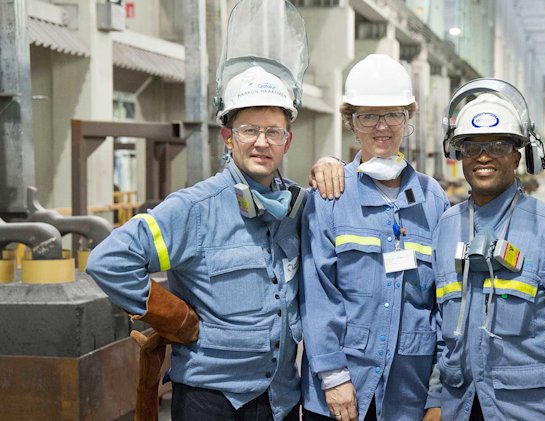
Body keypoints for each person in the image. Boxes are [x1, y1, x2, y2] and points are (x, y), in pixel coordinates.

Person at [86, 2, 309, 420]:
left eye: (273, 132)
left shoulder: (296, 208)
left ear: (288, 141)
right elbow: (108, 261)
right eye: (249, 130)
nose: (262, 142)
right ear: (228, 137)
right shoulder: (195, 209)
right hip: (211, 400)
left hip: (280, 399)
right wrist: (174, 317)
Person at [431, 78, 545, 420]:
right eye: (471, 147)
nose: (483, 157)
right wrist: (435, 398)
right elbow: (438, 332)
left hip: (526, 411)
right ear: (458, 154)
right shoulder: (446, 227)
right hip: (459, 408)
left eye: (497, 146)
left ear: (518, 156)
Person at [299, 54, 448, 421]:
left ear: (407, 118)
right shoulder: (331, 196)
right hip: (339, 390)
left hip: (408, 394)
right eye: (368, 116)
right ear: (351, 122)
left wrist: (438, 391)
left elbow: (445, 303)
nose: (382, 127)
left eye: (393, 114)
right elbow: (317, 294)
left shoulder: (433, 199)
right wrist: (333, 376)